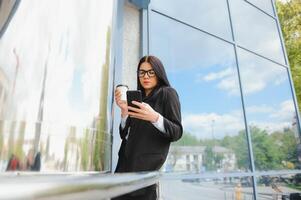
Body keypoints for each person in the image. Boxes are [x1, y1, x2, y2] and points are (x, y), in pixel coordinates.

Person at [113, 55, 183, 200]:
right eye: (142, 72)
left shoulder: (167, 93)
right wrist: (124, 112)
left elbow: (177, 131)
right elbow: (124, 135)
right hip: (123, 169)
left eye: (151, 72)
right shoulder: (138, 99)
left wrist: (155, 117)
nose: (146, 76)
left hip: (145, 173)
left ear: (159, 73)